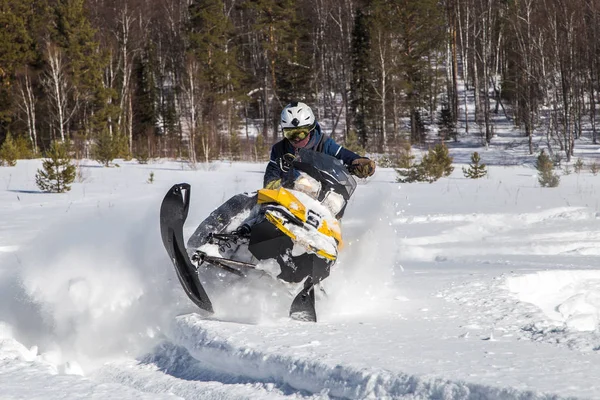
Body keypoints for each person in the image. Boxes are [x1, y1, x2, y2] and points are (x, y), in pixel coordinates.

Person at [263, 101, 376, 189]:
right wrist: (286, 184)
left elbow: (344, 155)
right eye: (290, 133)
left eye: (301, 133)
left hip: (322, 195)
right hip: (289, 199)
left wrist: (360, 162)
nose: (296, 138)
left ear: (310, 129)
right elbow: (270, 178)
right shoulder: (279, 149)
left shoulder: (324, 144)